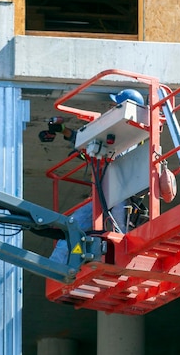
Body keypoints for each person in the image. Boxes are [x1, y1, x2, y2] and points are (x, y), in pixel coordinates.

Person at [39, 89, 148, 266]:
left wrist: (95, 150)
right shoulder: (115, 130)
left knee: (119, 234)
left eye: (115, 104)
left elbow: (108, 149)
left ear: (127, 107)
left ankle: (121, 267)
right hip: (104, 195)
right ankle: (55, 269)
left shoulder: (134, 134)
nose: (111, 107)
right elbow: (91, 141)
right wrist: (63, 130)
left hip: (122, 197)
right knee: (72, 226)